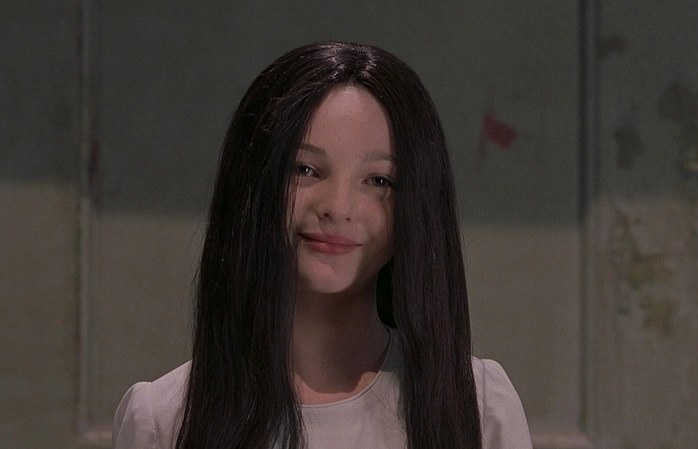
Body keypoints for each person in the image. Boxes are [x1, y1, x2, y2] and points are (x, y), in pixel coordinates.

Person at [112, 41, 532, 449]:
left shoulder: (478, 406)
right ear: (252, 185)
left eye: (379, 180)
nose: (338, 207)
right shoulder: (163, 418)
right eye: (305, 169)